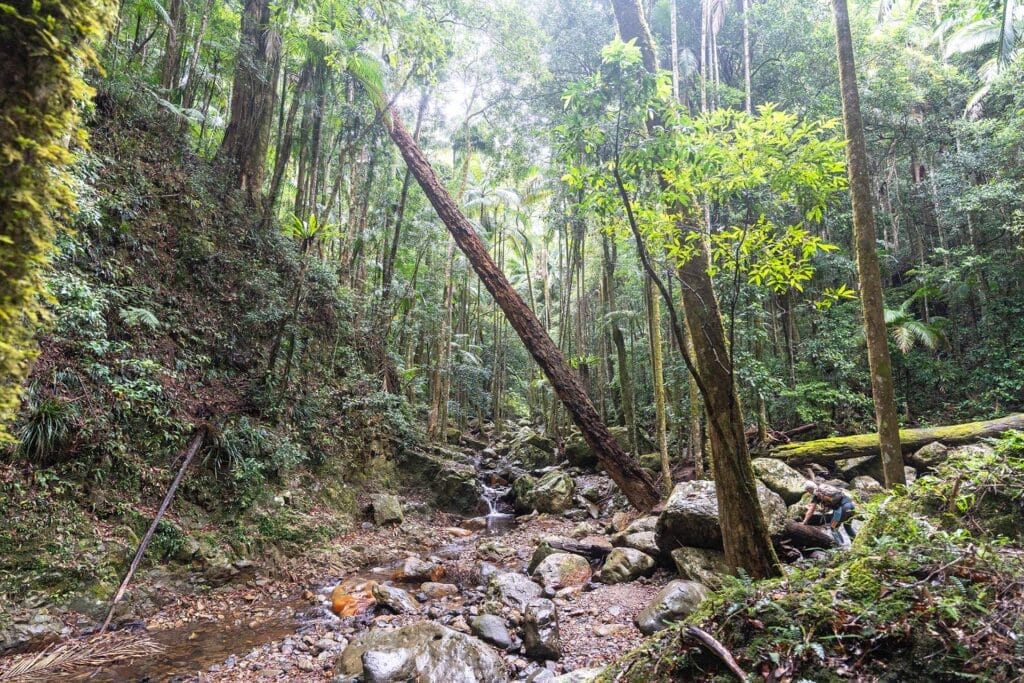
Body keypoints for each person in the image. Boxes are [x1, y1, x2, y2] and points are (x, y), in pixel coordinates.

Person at [802, 481, 856, 546]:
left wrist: (804, 521)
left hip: (842, 509)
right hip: (851, 505)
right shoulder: (825, 489)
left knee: (833, 527)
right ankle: (856, 545)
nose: (808, 492)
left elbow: (811, 511)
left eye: (807, 490)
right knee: (847, 526)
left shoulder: (817, 496)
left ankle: (841, 547)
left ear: (810, 489)